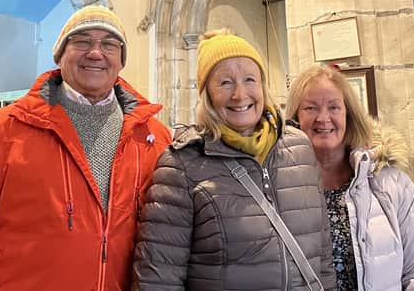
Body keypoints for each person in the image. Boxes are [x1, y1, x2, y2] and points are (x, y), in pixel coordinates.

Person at [0, 5, 171, 291]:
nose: (96, 52)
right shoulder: (4, 129)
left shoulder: (153, 137)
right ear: (59, 55)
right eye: (82, 41)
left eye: (109, 43)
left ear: (121, 59)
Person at [133, 29, 336, 290]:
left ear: (263, 85)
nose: (240, 95)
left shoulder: (299, 147)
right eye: (225, 83)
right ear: (207, 94)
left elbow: (322, 254)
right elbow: (157, 278)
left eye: (250, 79)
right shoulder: (181, 165)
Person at [285, 64, 414, 290]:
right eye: (311, 108)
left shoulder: (389, 182)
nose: (323, 118)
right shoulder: (282, 185)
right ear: (295, 118)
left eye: (334, 107)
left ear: (349, 115)